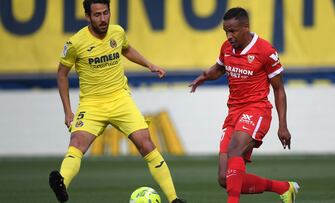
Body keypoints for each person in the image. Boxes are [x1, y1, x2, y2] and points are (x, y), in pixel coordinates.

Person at [48, 0, 186, 203]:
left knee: (146, 144)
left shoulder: (117, 32)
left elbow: (127, 49)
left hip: (120, 99)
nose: (103, 19)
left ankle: (174, 199)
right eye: (97, 15)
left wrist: (149, 64)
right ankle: (62, 186)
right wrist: (68, 112)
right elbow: (61, 75)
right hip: (92, 103)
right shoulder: (75, 43)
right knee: (77, 143)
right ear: (87, 17)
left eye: (105, 13)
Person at [189, 7, 299, 203]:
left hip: (257, 110)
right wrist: (205, 76)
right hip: (233, 113)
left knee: (234, 152)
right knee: (225, 178)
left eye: (233, 31)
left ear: (246, 27)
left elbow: (279, 89)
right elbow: (220, 67)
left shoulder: (265, 51)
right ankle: (284, 188)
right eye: (226, 31)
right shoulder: (226, 48)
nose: (229, 36)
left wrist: (283, 125)